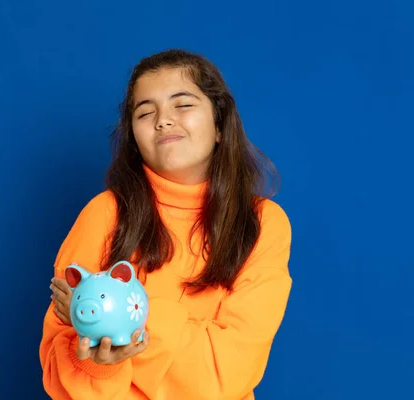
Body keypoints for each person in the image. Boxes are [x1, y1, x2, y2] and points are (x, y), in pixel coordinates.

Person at [42, 48, 293, 400]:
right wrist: (101, 364)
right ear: (133, 136)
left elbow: (228, 373)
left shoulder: (263, 222)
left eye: (183, 104)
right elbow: (61, 371)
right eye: (145, 112)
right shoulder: (102, 214)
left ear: (219, 125)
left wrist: (120, 316)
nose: (163, 120)